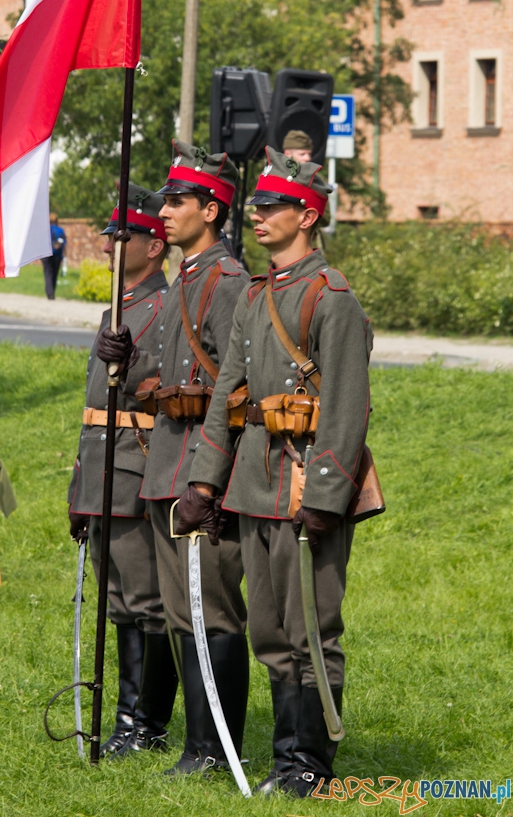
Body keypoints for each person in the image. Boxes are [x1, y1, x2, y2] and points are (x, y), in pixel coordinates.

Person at [180, 148, 372, 796]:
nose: (257, 216)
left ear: (307, 214)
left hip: (303, 482)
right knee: (267, 629)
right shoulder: (256, 296)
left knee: (309, 630)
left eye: (271, 207)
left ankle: (309, 766)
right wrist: (204, 483)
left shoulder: (331, 298)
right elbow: (225, 396)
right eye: (256, 206)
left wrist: (325, 495)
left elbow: (346, 408)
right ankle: (285, 759)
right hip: (254, 483)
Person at [133, 140, 251, 774]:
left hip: (205, 473)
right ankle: (197, 744)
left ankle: (216, 748)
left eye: (176, 201)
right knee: (183, 611)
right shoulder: (186, 279)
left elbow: (239, 388)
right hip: (167, 465)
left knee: (215, 610)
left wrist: (210, 481)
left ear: (210, 209)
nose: (165, 212)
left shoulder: (228, 282)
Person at [68, 183, 178, 757]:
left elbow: (162, 387)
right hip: (101, 467)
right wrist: (77, 485)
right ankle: (125, 718)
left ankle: (146, 725)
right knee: (117, 601)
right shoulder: (118, 306)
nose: (112, 244)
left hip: (134, 466)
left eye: (125, 235)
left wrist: (132, 365)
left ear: (155, 246)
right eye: (112, 235)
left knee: (145, 601)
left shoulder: (165, 306)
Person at [42, 212, 67, 300]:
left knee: (48, 273)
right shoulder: (60, 230)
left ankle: (50, 293)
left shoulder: (45, 229)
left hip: (46, 254)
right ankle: (52, 293)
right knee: (54, 274)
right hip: (57, 254)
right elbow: (63, 242)